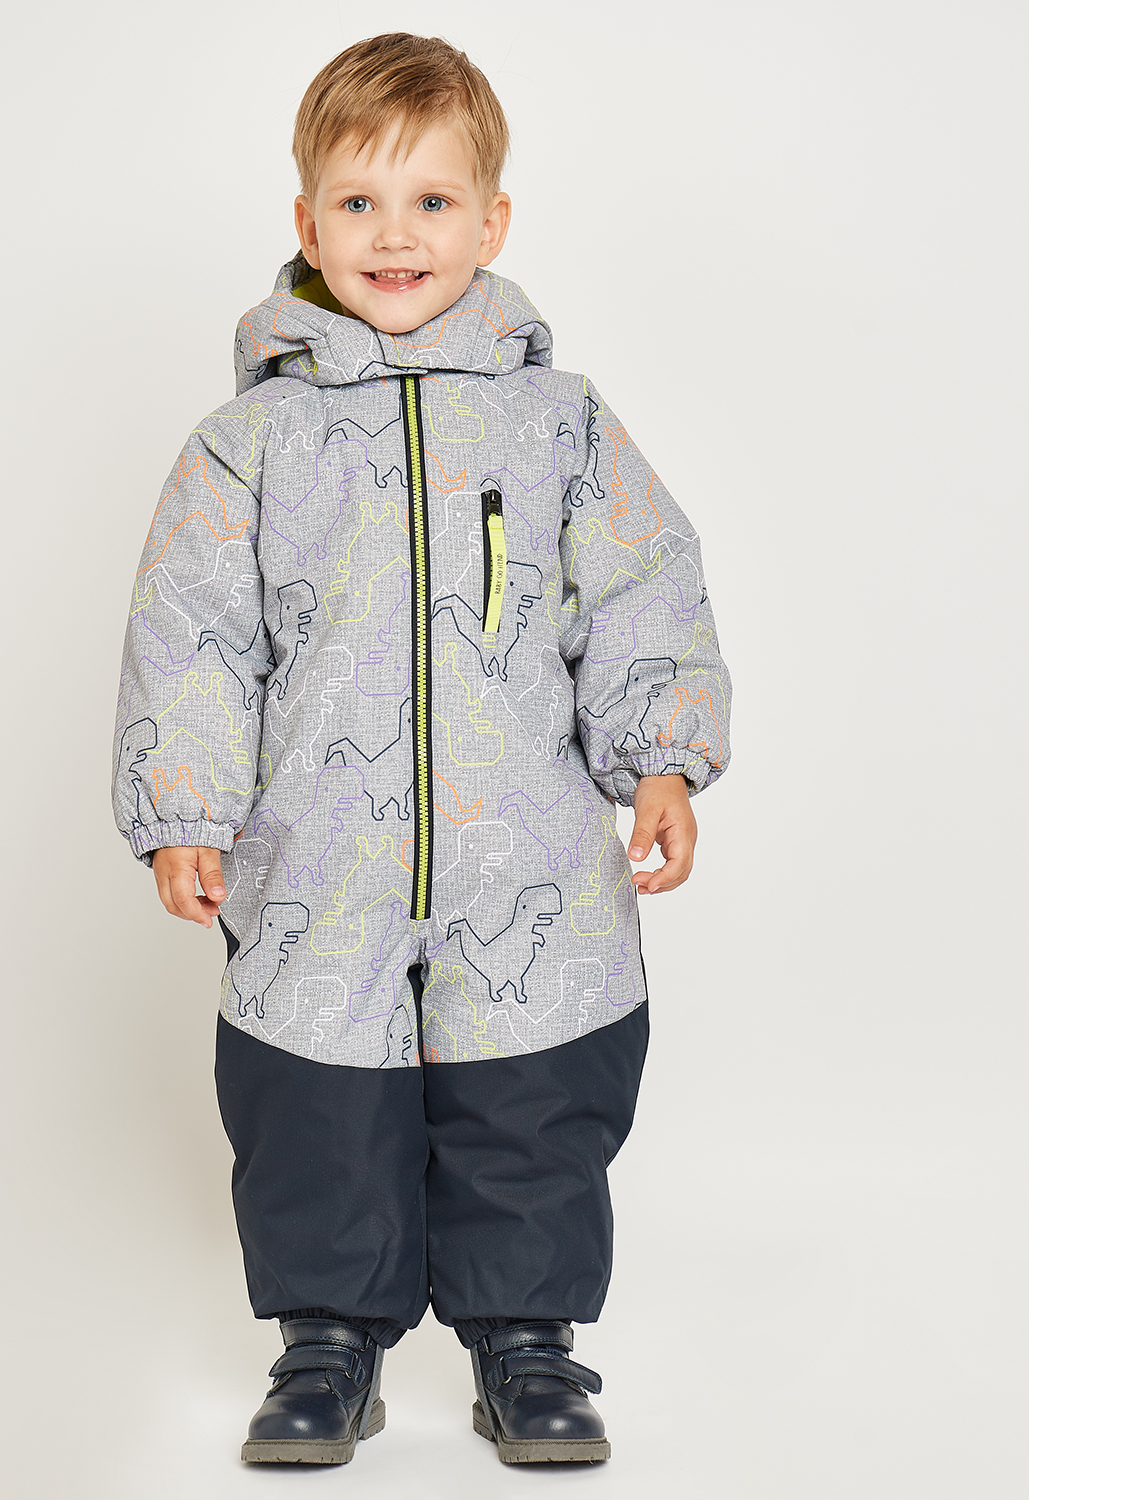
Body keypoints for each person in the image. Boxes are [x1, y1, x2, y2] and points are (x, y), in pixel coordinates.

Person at [110, 31, 732, 1466]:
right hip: (319, 857)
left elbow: (642, 586)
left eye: (433, 202)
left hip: (531, 854)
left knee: (533, 1098)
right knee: (316, 1102)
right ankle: (328, 1341)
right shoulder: (247, 444)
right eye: (360, 202)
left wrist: (661, 756)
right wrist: (182, 804)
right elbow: (192, 634)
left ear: (493, 223)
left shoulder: (559, 424)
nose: (396, 236)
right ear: (308, 220)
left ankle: (529, 1346)